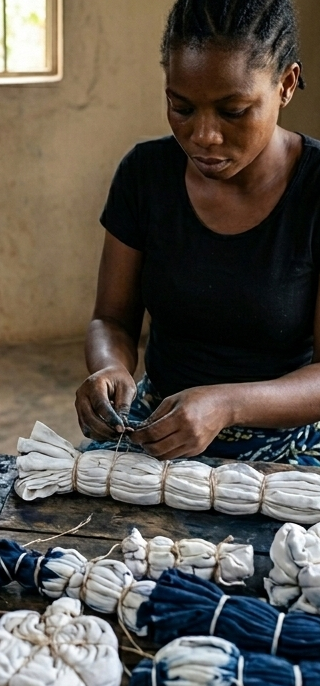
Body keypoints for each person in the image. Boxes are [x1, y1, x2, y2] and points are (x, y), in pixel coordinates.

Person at [77, 0, 320, 465]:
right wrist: (110, 367)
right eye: (181, 107)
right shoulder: (145, 176)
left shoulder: (315, 189)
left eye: (234, 111)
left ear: (286, 85)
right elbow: (111, 319)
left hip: (290, 442)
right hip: (158, 425)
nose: (204, 135)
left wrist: (227, 405)